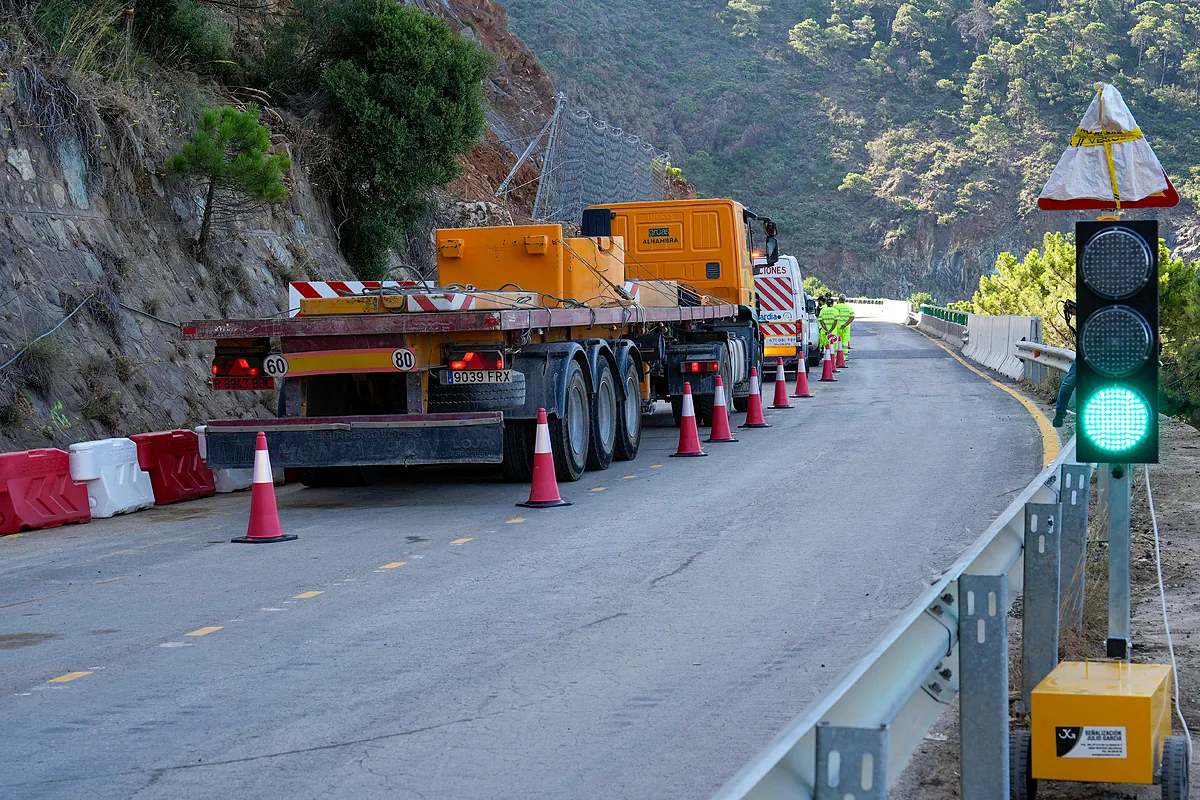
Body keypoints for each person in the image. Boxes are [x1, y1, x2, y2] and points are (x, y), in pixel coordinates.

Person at [1052, 299, 1077, 428]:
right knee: (1070, 381)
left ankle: (1060, 411)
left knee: (1070, 381)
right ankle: (1060, 412)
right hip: (1089, 350)